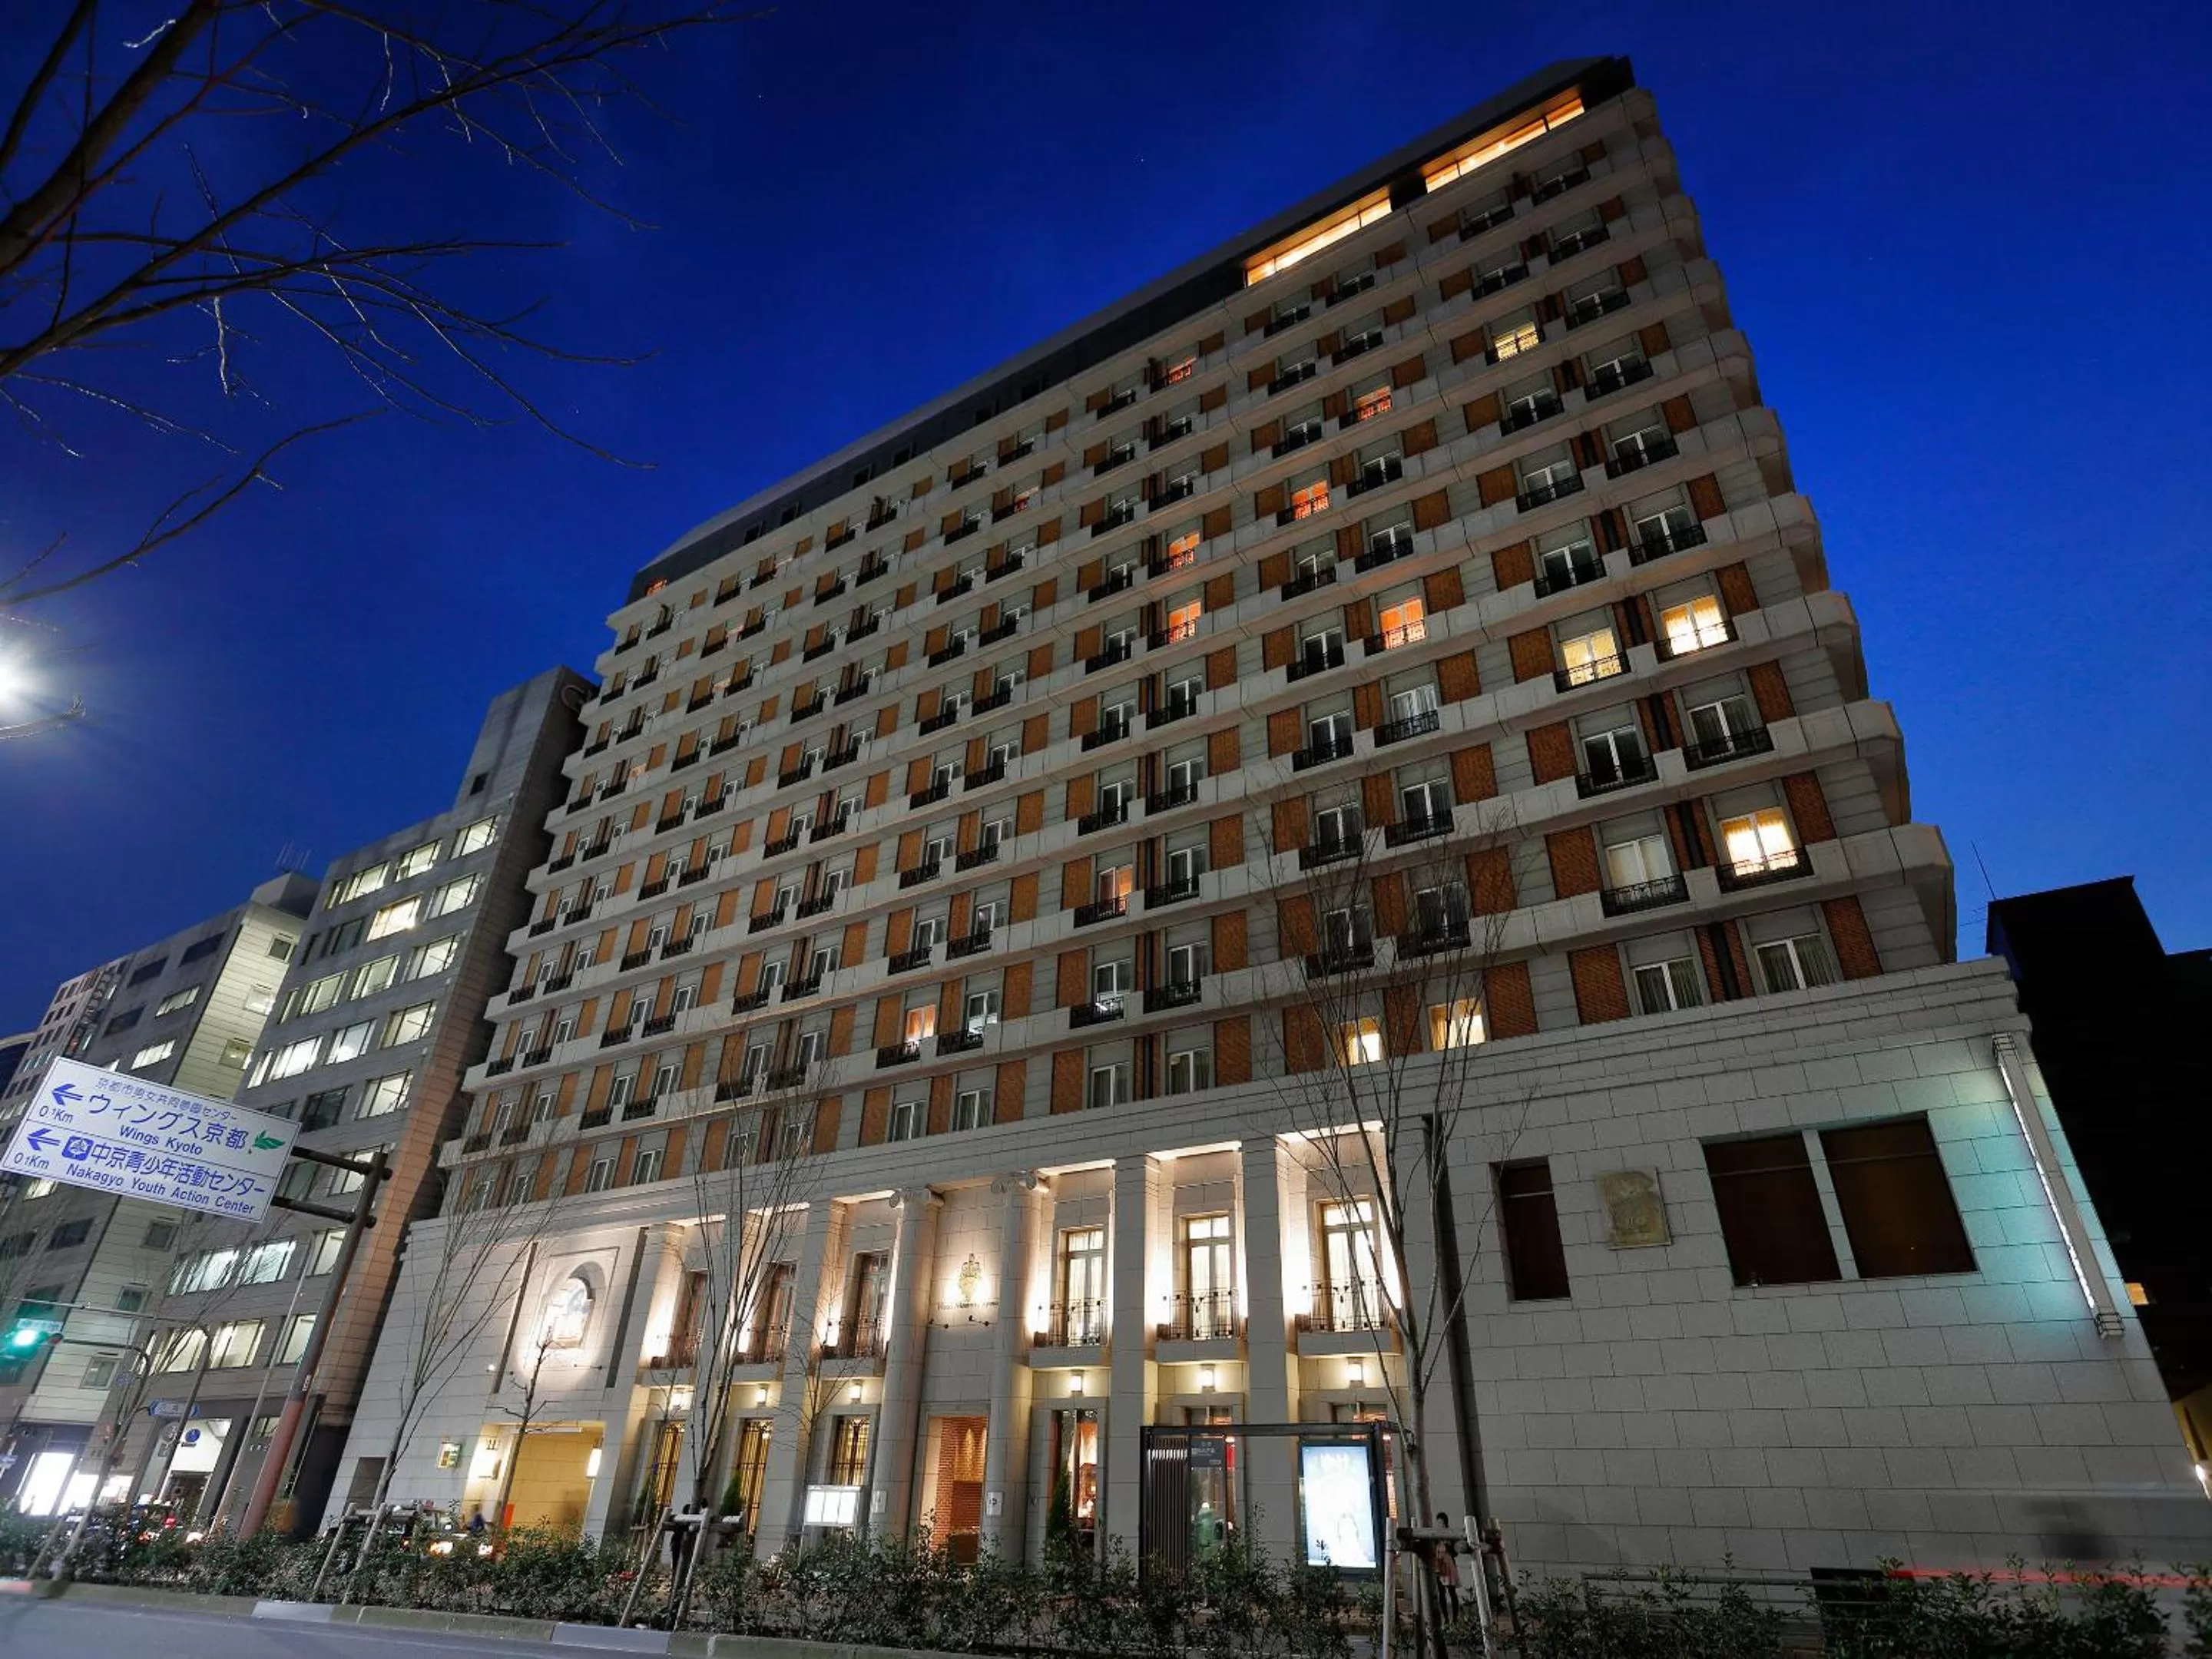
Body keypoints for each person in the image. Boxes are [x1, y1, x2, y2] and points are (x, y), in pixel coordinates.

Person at [1430, 1512, 1461, 1622]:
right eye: (1438, 1522)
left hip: (1448, 1564)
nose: (1439, 1525)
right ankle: (1446, 1618)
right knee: (1441, 1592)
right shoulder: (1435, 1536)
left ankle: (1455, 1618)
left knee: (1452, 1592)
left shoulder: (1450, 1535)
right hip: (1439, 1565)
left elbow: (1455, 1552)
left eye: (1441, 1523)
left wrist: (1448, 1547)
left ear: (1445, 1523)